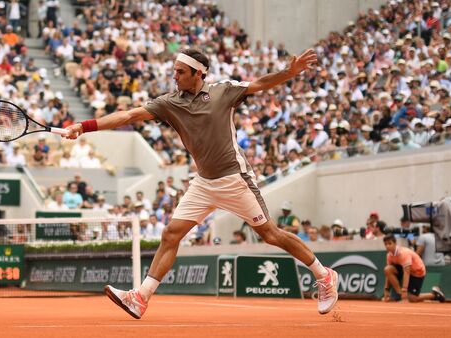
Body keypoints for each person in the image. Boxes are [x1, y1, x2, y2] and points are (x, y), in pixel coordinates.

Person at [64, 48, 338, 318]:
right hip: (204, 183)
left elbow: (260, 84)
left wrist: (288, 73)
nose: (175, 77)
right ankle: (141, 298)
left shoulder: (223, 91)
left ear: (198, 73)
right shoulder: (170, 103)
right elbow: (129, 115)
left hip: (234, 179)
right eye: (175, 71)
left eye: (181, 72)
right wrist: (85, 126)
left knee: (270, 235)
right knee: (171, 234)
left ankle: (324, 276)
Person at [382, 234, 445, 303]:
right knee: (388, 269)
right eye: (386, 244)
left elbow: (407, 272)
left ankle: (434, 295)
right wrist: (386, 289)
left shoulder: (403, 254)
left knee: (413, 299)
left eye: (390, 243)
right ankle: (399, 295)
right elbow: (388, 273)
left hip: (417, 272)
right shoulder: (389, 256)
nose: (387, 246)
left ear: (395, 243)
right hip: (404, 270)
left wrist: (404, 291)